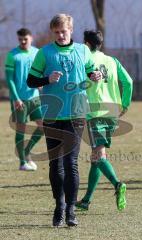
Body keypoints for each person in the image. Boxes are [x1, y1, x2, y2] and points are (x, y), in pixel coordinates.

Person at [27, 14, 101, 227]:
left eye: (64, 31)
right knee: (55, 164)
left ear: (71, 30)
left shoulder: (82, 50)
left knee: (71, 163)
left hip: (76, 113)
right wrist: (47, 79)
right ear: (53, 32)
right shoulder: (45, 53)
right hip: (52, 113)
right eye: (57, 32)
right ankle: (58, 207)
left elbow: (91, 71)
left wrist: (95, 75)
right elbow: (31, 80)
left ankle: (70, 210)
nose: (60, 35)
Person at [76, 30, 133, 211]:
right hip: (112, 112)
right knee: (96, 157)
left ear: (86, 43)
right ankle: (86, 201)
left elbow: (80, 85)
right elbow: (129, 82)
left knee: (98, 155)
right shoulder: (112, 61)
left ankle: (118, 184)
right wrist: (125, 105)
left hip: (96, 112)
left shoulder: (85, 61)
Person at [5, 28, 43, 171]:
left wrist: (40, 82)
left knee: (43, 126)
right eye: (20, 39)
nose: (22, 41)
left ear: (31, 38)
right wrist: (15, 98)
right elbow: (9, 80)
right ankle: (22, 162)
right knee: (20, 129)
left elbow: (40, 72)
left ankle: (27, 151)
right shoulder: (12, 55)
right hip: (19, 99)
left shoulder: (37, 53)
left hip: (35, 98)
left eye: (25, 39)